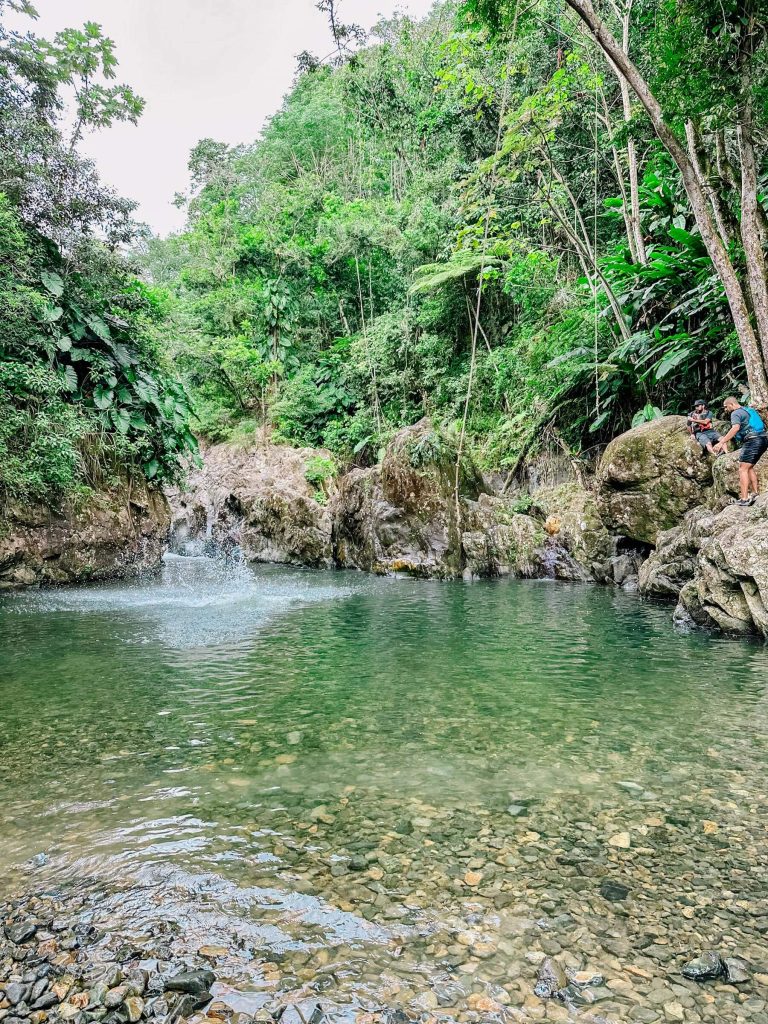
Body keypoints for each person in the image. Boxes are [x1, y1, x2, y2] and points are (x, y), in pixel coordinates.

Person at [713, 397, 768, 505]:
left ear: (731, 404)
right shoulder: (748, 410)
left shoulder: (735, 413)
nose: (725, 409)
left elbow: (735, 428)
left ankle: (744, 499)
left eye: (726, 407)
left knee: (742, 469)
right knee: (749, 467)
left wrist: (721, 442)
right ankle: (755, 493)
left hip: (753, 440)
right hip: (763, 439)